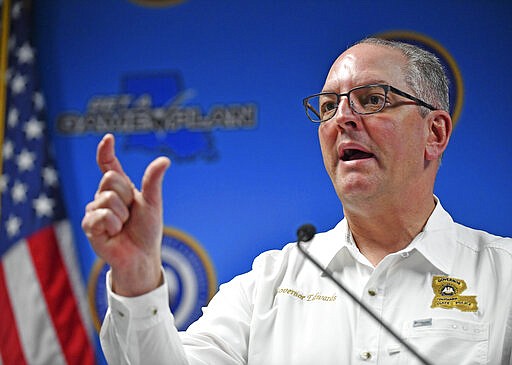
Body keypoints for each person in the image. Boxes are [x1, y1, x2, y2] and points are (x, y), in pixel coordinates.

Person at [82, 37, 512, 364]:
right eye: (328, 106)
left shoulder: (503, 277)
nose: (342, 118)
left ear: (434, 133)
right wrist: (137, 277)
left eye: (372, 100)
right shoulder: (269, 284)